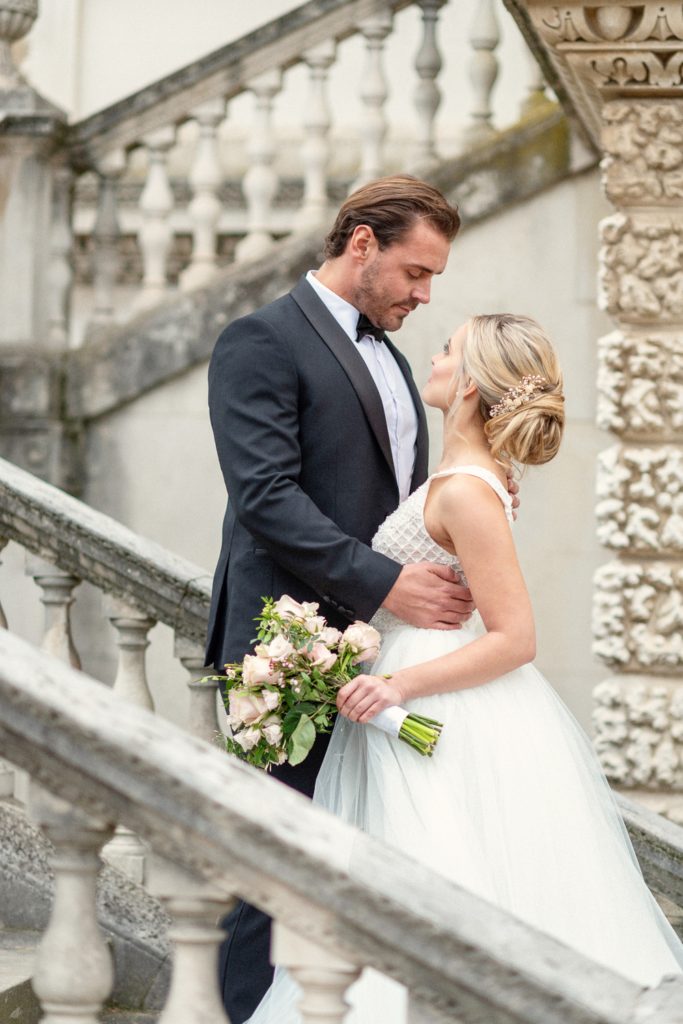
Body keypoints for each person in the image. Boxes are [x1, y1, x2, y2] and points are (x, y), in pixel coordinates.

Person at [246, 314, 683, 1024]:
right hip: (409, 691)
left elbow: (515, 637)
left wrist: (395, 683)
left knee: (426, 889)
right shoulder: (460, 477)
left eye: (447, 349)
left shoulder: (467, 490)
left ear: (472, 383)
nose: (433, 355)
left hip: (434, 704)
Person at [207, 176, 493, 1022]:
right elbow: (265, 497)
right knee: (273, 877)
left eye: (433, 277)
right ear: (360, 244)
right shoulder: (258, 340)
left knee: (364, 863)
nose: (424, 294)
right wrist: (386, 583)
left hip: (385, 659)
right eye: (414, 271)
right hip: (283, 647)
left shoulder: (400, 362)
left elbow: (404, 504)